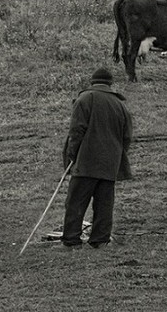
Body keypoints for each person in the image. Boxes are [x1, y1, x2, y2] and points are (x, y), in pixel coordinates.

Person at [60, 67, 133, 249]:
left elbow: (76, 131)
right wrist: (116, 155)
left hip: (86, 161)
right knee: (104, 204)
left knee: (76, 201)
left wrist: (71, 156)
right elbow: (127, 137)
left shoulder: (85, 99)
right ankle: (100, 240)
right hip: (110, 163)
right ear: (110, 84)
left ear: (92, 82)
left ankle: (71, 240)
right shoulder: (120, 105)